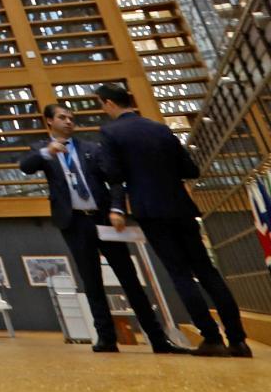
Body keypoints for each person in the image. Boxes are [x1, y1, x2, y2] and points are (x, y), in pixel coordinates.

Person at [96, 82, 252, 358]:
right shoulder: (160, 128)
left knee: (180, 274)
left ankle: (212, 338)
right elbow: (189, 169)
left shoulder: (110, 133)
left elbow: (114, 176)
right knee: (207, 272)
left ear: (108, 104)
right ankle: (238, 340)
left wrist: (118, 208)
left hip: (150, 210)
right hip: (181, 207)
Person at [19, 102, 177, 353]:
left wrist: (117, 208)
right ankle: (106, 338)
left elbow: (114, 180)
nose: (69, 121)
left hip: (104, 219)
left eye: (71, 117)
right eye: (62, 117)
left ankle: (157, 338)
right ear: (49, 121)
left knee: (130, 280)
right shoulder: (41, 150)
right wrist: (48, 152)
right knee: (91, 281)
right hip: (74, 222)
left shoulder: (91, 148)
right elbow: (25, 167)